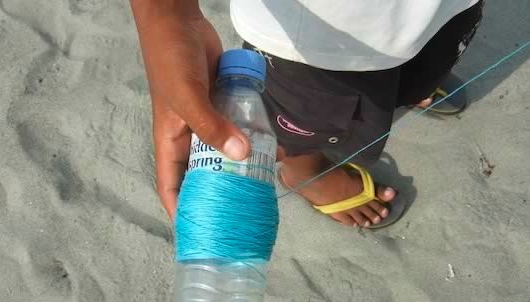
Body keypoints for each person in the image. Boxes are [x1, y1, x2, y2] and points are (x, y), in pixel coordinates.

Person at [130, 0, 483, 228]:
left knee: (427, 62)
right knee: (300, 126)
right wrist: (163, 11)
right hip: (309, 35)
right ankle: (305, 173)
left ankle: (408, 89)